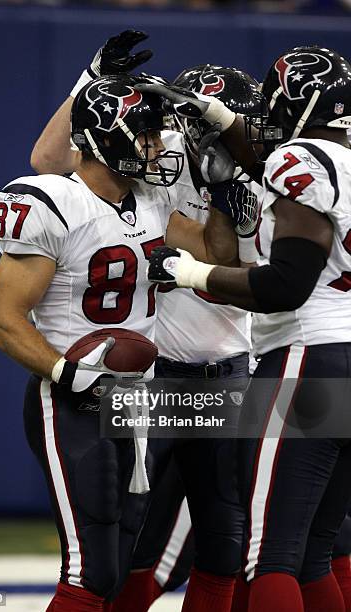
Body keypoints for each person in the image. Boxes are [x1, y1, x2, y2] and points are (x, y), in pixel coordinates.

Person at [0, 72, 235, 612]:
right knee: (91, 570)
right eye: (145, 136)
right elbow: (5, 321)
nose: (155, 148)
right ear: (109, 139)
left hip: (136, 399)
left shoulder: (147, 203)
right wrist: (64, 370)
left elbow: (217, 255)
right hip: (73, 399)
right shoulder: (52, 201)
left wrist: (220, 192)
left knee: (117, 568)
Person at [143, 45, 351, 612]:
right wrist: (218, 116)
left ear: (298, 104)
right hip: (344, 359)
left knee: (270, 557)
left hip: (310, 361)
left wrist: (193, 273)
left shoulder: (302, 160)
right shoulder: (341, 162)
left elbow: (286, 285)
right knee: (315, 553)